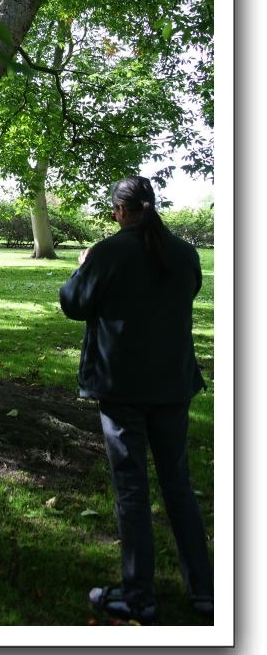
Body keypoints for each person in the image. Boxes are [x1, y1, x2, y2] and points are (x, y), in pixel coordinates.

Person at [59, 176, 213, 625]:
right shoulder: (185, 253)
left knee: (132, 490)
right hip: (172, 385)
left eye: (114, 210)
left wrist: (82, 265)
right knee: (178, 486)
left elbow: (73, 304)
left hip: (122, 386)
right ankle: (203, 593)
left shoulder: (108, 251)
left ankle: (138, 596)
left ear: (121, 211)